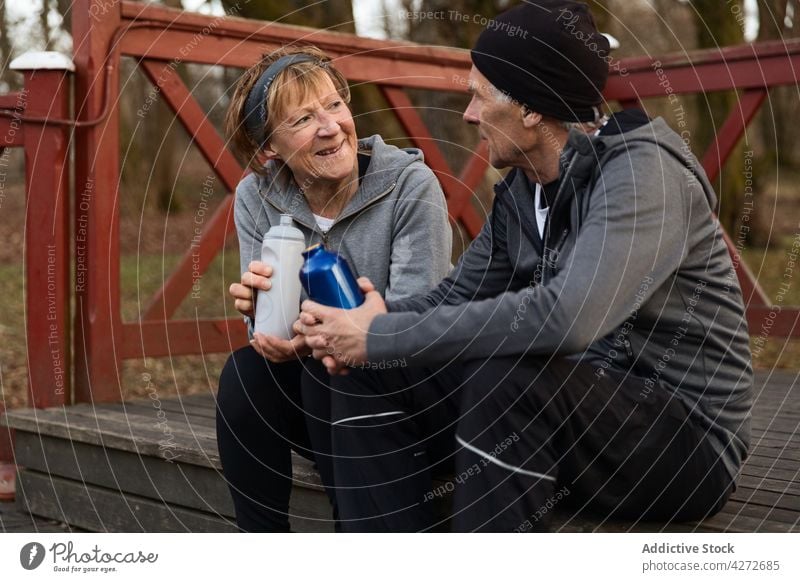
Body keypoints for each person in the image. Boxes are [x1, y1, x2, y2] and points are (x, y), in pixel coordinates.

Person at [298, 1, 753, 532]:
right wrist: (362, 325)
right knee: (358, 368)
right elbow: (452, 299)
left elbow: (568, 317)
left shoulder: (644, 175)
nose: (467, 114)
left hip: (683, 443)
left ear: (532, 108)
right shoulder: (521, 193)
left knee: (508, 371)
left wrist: (382, 334)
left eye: (479, 96)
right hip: (568, 412)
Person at [216, 45, 452, 532]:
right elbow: (267, 319)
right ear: (269, 149)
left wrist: (326, 336)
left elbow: (414, 321)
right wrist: (262, 318)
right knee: (245, 374)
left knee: (330, 370)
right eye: (303, 119)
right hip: (315, 383)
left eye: (335, 106)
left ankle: (360, 528)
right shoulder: (256, 196)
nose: (330, 126)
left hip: (402, 396)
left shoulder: (411, 185)